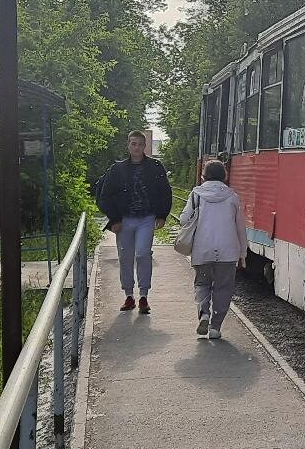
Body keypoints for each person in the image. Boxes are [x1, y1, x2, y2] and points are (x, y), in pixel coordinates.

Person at [96, 131, 172, 313]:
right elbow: (105, 196)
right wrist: (114, 219)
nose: (136, 147)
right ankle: (129, 295)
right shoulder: (117, 169)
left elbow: (165, 191)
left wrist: (162, 215)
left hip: (146, 218)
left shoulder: (155, 166)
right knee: (125, 257)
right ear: (128, 146)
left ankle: (144, 296)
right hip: (124, 220)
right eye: (133, 144)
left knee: (143, 254)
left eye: (139, 144)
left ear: (145, 146)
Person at [178, 160, 246, 339]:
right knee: (223, 288)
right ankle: (215, 327)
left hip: (203, 249)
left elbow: (184, 220)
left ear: (203, 176)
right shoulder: (233, 196)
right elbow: (240, 227)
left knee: (202, 284)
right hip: (228, 251)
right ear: (225, 176)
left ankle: (204, 314)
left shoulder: (196, 194)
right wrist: (243, 253)